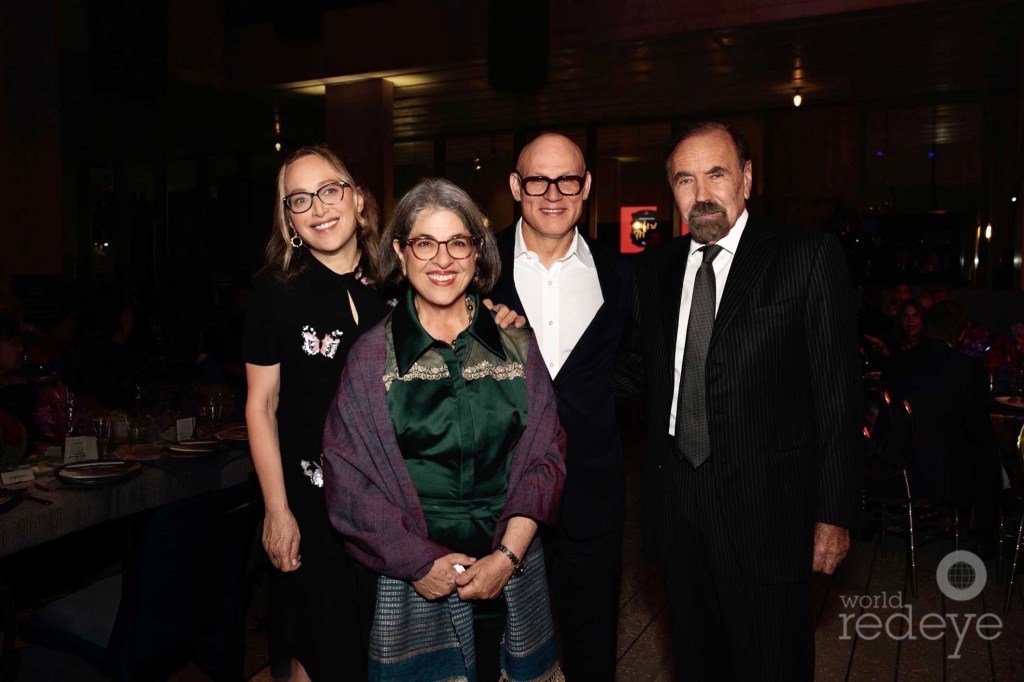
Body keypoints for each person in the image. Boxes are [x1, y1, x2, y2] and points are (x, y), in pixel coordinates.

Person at [618, 121, 862, 679]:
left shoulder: (806, 257)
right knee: (696, 660)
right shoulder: (653, 270)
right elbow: (635, 372)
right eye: (684, 179)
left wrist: (833, 514)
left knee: (773, 663)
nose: (700, 193)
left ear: (746, 180)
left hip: (770, 510)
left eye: (716, 174)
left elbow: (837, 395)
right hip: (678, 505)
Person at [321, 178, 566, 682]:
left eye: (458, 242)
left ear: (477, 253)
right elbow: (347, 483)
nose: (442, 259)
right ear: (400, 252)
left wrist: (507, 555)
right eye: (424, 243)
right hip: (414, 583)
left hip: (511, 570)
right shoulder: (371, 357)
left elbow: (548, 458)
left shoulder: (517, 344)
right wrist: (418, 564)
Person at [243, 145, 391, 681]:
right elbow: (261, 405)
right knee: (322, 650)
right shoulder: (274, 292)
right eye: (299, 199)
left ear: (356, 199)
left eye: (329, 190)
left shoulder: (399, 279)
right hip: (314, 507)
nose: (319, 207)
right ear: (289, 221)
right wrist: (276, 511)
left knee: (384, 653)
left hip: (393, 507)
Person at [489, 132, 631, 681]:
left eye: (567, 179)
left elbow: (634, 365)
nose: (553, 192)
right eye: (537, 179)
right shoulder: (476, 269)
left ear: (586, 186)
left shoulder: (619, 276)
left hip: (592, 495)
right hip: (495, 498)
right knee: (499, 648)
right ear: (515, 186)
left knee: (593, 647)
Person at [884, 300, 999, 553]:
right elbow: (978, 432)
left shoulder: (897, 363)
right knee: (988, 452)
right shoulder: (967, 369)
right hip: (945, 480)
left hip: (897, 471)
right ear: (960, 333)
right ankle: (987, 536)